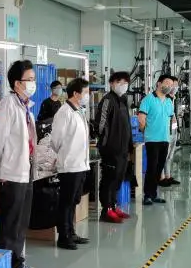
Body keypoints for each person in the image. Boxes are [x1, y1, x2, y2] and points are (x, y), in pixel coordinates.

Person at [0, 60, 38, 268]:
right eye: (30, 79)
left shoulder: (25, 106)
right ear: (17, 83)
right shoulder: (7, 105)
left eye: (34, 79)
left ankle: (17, 262)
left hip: (25, 170)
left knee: (21, 221)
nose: (33, 83)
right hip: (12, 172)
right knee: (10, 223)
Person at [50, 78, 91, 250]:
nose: (88, 95)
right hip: (69, 165)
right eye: (86, 92)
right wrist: (67, 153)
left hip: (80, 164)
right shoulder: (64, 112)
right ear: (76, 93)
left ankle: (71, 232)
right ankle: (63, 236)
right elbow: (56, 141)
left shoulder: (78, 111)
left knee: (73, 201)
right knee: (66, 202)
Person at [96, 72, 133, 223]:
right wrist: (106, 143)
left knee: (118, 178)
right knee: (109, 179)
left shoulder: (123, 100)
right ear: (111, 83)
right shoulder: (107, 100)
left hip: (123, 148)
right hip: (110, 149)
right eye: (119, 82)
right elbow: (100, 124)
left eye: (125, 82)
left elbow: (127, 124)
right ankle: (106, 210)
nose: (123, 85)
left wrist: (129, 144)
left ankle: (114, 205)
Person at [138, 74, 175, 206]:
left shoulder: (169, 102)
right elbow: (141, 119)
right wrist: (147, 133)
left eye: (171, 85)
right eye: (167, 83)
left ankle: (153, 194)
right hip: (152, 140)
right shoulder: (148, 99)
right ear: (159, 83)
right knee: (152, 168)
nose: (169, 86)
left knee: (159, 168)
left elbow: (171, 119)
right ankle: (147, 196)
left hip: (165, 139)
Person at [160, 76, 181, 187]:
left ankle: (168, 176)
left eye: (176, 85)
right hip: (166, 131)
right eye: (173, 85)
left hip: (174, 129)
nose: (175, 87)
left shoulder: (174, 99)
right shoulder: (165, 99)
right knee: (164, 155)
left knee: (170, 156)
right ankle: (161, 177)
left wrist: (178, 127)